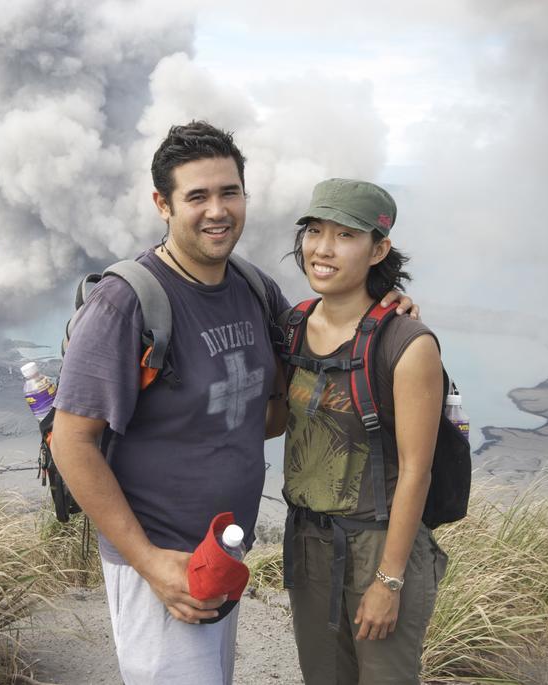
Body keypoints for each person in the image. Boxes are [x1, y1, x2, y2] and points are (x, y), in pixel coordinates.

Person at [50, 123, 416, 684]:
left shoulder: (252, 286)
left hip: (224, 550)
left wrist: (382, 304)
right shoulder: (126, 303)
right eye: (196, 196)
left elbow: (297, 374)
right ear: (163, 205)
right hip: (164, 560)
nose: (217, 210)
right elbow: (72, 441)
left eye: (229, 192)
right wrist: (151, 563)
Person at [278, 178, 449, 684]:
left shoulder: (407, 343)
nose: (322, 249)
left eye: (345, 236)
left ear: (379, 249)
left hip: (380, 543)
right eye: (314, 231)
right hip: (309, 541)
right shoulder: (292, 325)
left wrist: (389, 581)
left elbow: (417, 469)